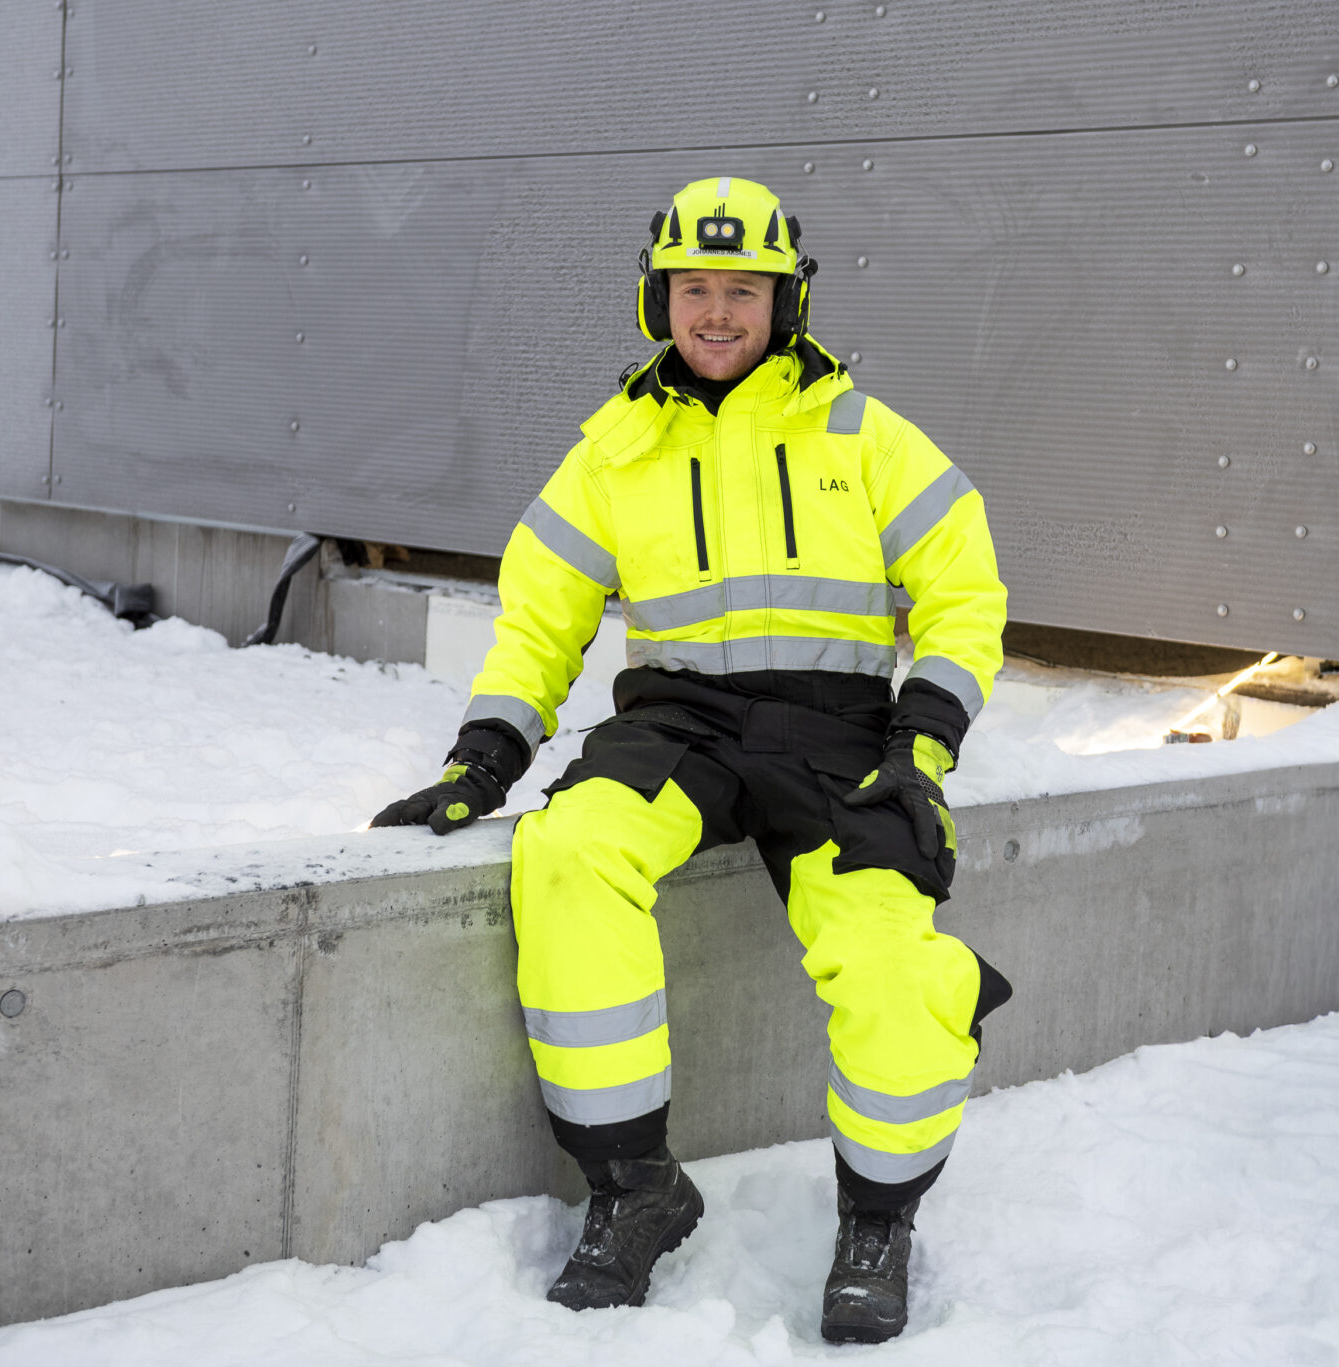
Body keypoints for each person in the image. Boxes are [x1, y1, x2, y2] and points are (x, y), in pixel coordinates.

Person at [372, 175, 1010, 1344]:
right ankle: (634, 1188)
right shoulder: (612, 450)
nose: (716, 312)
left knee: (890, 958)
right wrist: (486, 753)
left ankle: (877, 1219)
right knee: (566, 855)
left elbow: (965, 595)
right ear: (655, 298)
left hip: (836, 738)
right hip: (678, 727)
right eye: (692, 289)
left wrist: (922, 742)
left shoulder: (868, 437)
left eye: (743, 290)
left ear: (787, 299)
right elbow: (539, 614)